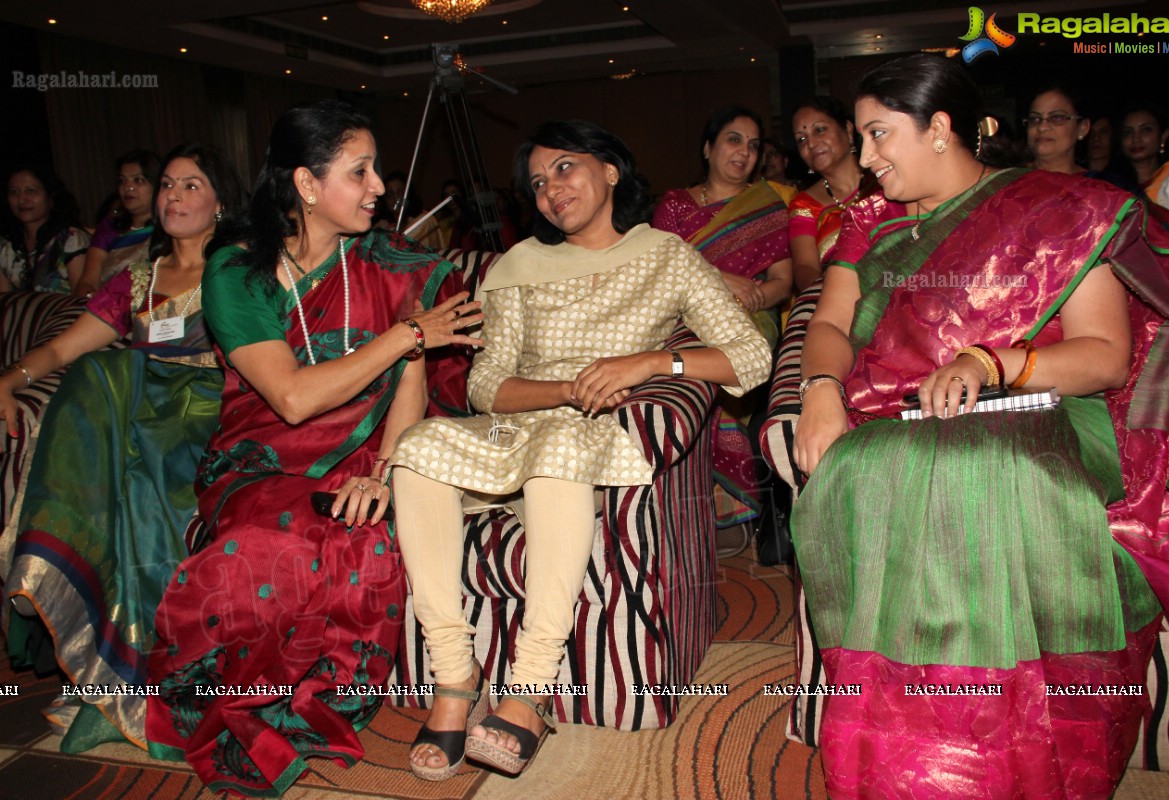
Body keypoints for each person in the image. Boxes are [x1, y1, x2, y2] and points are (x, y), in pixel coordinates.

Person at [789, 53, 1169, 798]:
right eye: (860, 137)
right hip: (904, 411)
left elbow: (1106, 357)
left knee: (979, 473)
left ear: (939, 128)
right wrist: (819, 388)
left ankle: (1012, 762)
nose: (866, 157)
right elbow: (831, 323)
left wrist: (989, 360)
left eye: (879, 135)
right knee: (866, 469)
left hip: (1040, 411)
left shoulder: (1063, 209)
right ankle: (911, 767)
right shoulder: (870, 224)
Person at [390, 119, 770, 780]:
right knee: (419, 445)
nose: (550, 191)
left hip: (591, 436)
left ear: (611, 170)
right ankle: (454, 674)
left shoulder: (664, 254)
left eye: (564, 169)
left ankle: (530, 688)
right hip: (523, 426)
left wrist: (651, 362)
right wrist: (563, 386)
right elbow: (484, 387)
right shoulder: (517, 266)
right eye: (537, 183)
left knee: (564, 438)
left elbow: (752, 355)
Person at [143, 100, 482, 797]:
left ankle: (307, 712)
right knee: (276, 552)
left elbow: (408, 392)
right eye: (358, 172)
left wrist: (385, 474)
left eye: (378, 171)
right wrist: (408, 334)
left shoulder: (393, 269)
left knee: (366, 543)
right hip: (259, 465)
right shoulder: (237, 271)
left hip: (357, 464)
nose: (378, 187)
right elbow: (292, 399)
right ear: (304, 184)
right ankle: (239, 705)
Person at [2, 143, 246, 751]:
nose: (174, 196)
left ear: (221, 201)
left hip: (205, 416)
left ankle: (152, 674)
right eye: (168, 184)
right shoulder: (137, 277)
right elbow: (63, 349)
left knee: (131, 443)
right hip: (139, 416)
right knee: (97, 382)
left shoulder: (243, 270)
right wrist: (9, 379)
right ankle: (101, 648)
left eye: (192, 185)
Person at [652, 106, 792, 326]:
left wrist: (740, 303)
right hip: (681, 322)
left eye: (753, 146)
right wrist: (718, 279)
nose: (745, 152)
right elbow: (662, 272)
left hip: (749, 320)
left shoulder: (766, 207)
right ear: (708, 149)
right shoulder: (675, 204)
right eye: (734, 140)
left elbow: (783, 282)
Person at [789, 97, 890, 292]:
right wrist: (828, 296)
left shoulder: (884, 178)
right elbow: (805, 267)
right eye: (801, 139)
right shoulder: (804, 204)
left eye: (819, 130)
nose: (810, 143)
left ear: (848, 130)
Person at [77, 150, 159, 295]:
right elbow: (88, 281)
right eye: (122, 180)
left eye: (138, 180)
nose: (128, 187)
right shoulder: (110, 228)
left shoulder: (167, 229)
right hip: (106, 308)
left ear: (158, 186)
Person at [0, 166, 89, 293]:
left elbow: (82, 299)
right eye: (14, 192)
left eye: (31, 191)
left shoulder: (71, 239)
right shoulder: (6, 245)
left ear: (51, 196)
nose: (21, 200)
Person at [1024, 82, 1090, 174]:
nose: (1042, 127)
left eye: (1057, 118)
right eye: (1035, 119)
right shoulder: (1006, 181)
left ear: (1082, 128)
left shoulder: (1100, 186)